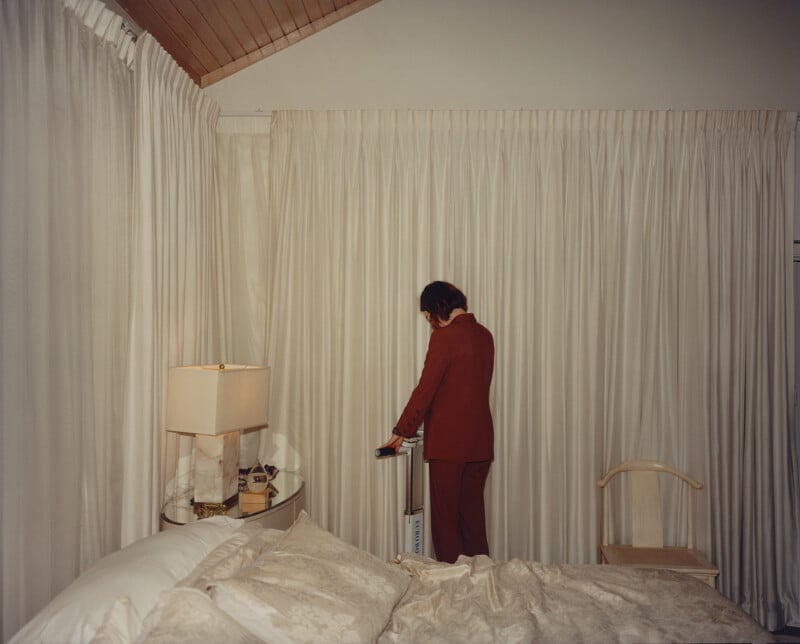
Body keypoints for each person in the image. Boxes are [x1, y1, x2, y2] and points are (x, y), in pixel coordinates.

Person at [380, 281, 494, 563]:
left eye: (428, 316)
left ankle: (452, 587)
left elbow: (426, 389)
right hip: (481, 444)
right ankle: (483, 579)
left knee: (446, 523)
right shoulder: (485, 335)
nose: (430, 322)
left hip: (448, 446)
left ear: (436, 309)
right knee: (472, 519)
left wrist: (401, 430)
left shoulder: (444, 338)